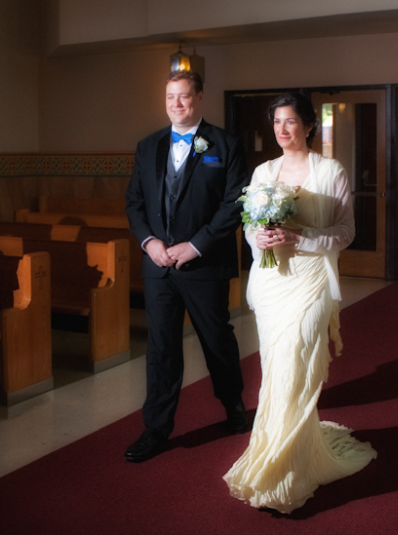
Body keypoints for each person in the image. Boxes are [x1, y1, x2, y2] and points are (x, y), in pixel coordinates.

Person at [223, 92, 377, 513]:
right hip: (272, 281)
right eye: (276, 122)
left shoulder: (331, 170)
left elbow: (346, 232)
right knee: (276, 365)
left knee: (299, 361)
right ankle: (280, 450)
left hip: (312, 280)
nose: (282, 129)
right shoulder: (263, 171)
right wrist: (259, 238)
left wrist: (300, 236)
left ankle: (290, 465)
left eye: (290, 121)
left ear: (309, 125)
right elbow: (250, 226)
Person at [124, 70, 248, 463]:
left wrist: (196, 246)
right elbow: (134, 202)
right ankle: (156, 428)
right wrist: (149, 242)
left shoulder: (225, 144)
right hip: (159, 266)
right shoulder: (148, 146)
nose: (176, 104)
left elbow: (234, 204)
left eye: (183, 96)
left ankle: (233, 404)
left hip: (204, 265)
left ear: (198, 98)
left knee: (216, 340)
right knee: (161, 347)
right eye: (170, 97)